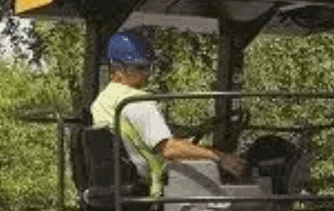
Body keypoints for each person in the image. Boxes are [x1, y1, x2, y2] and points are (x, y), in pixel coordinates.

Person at [90, 30, 246, 195]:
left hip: (121, 187)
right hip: (152, 189)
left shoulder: (102, 101)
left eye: (149, 67)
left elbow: (140, 138)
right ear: (117, 70)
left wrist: (189, 141)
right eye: (141, 67)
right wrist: (220, 157)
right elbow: (169, 149)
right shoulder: (136, 101)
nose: (147, 74)